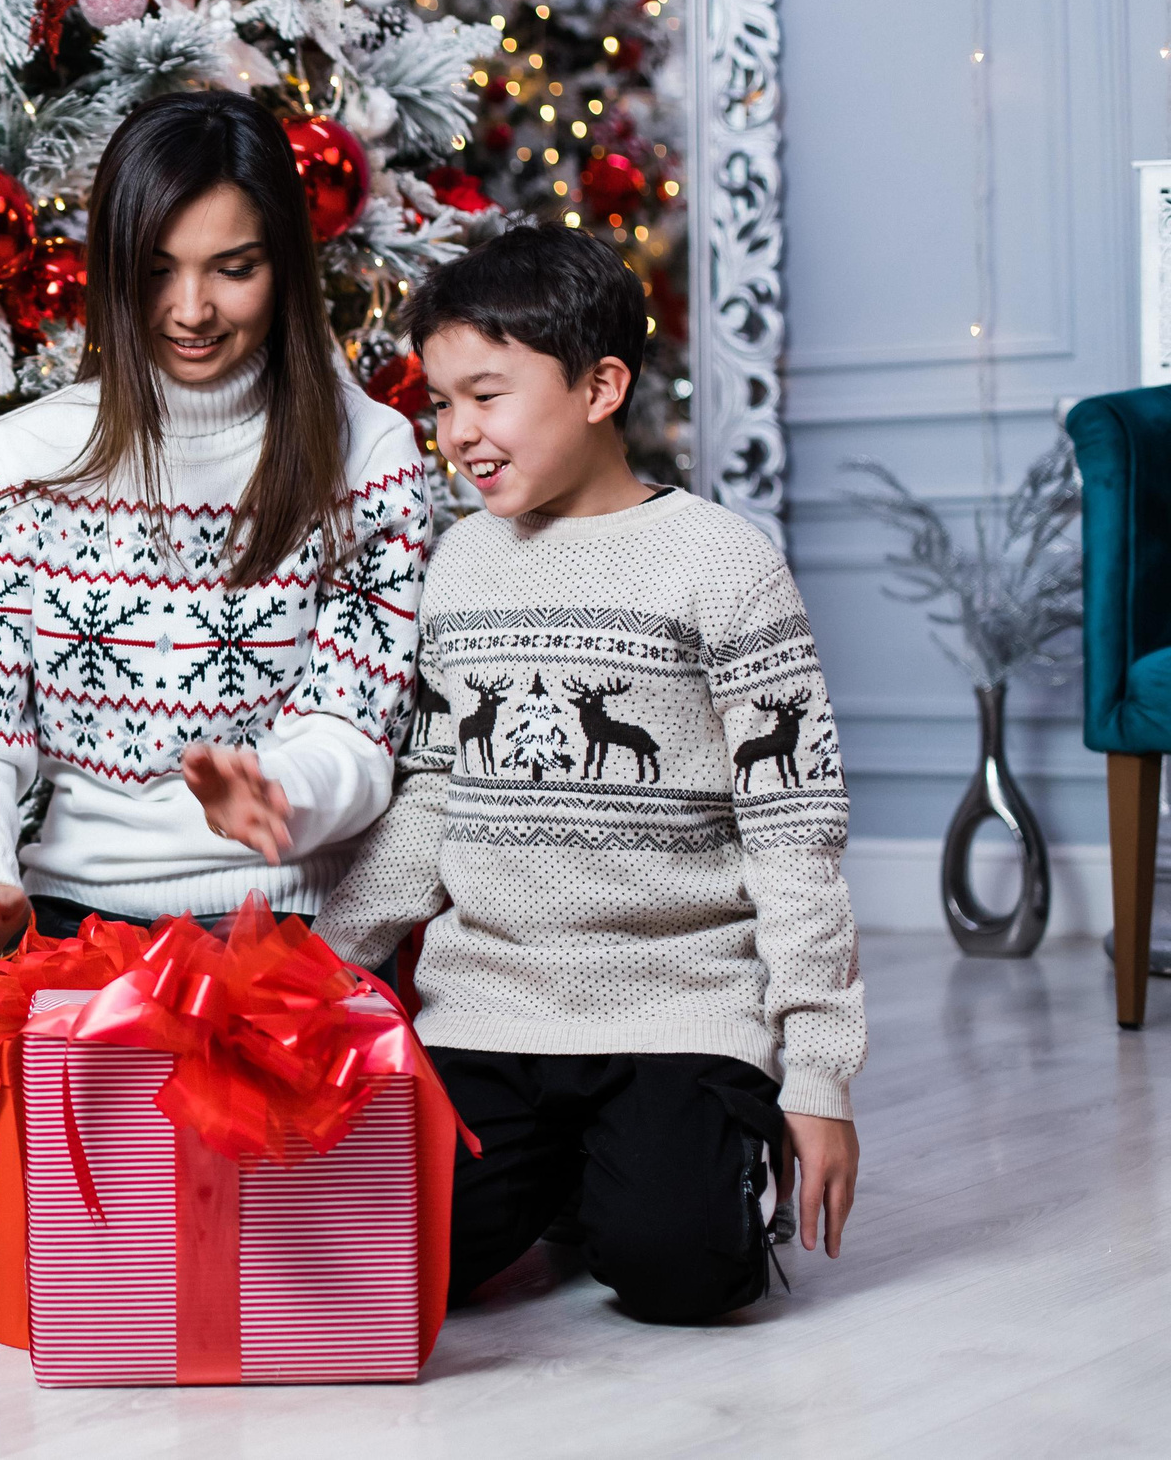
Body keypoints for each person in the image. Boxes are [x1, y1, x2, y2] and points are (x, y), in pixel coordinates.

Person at [319, 223, 865, 1324]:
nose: (458, 434)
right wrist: (333, 955)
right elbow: (432, 790)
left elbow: (792, 826)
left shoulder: (721, 562)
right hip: (488, 1009)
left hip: (678, 1004)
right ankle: (569, 1174)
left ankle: (664, 1166)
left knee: (682, 1273)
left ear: (600, 385)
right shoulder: (461, 563)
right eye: (439, 405)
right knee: (400, 1264)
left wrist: (818, 1074)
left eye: (487, 395)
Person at [0, 90, 431, 1022]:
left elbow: (355, 732)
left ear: (286, 266)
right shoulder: (31, 455)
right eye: (157, 272)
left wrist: (279, 791)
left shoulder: (368, 450)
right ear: (115, 272)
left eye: (233, 269)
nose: (190, 311)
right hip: (74, 929)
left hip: (288, 936)